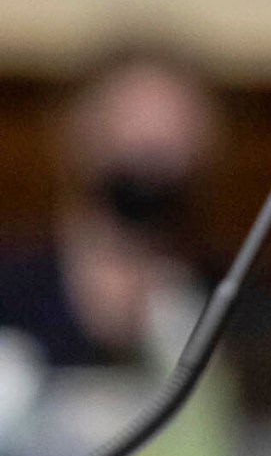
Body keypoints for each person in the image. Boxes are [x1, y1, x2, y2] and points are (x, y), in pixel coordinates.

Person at [0, 39, 224, 372]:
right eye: (129, 119)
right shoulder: (12, 290)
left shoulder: (227, 300)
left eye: (174, 128)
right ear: (76, 129)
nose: (151, 146)